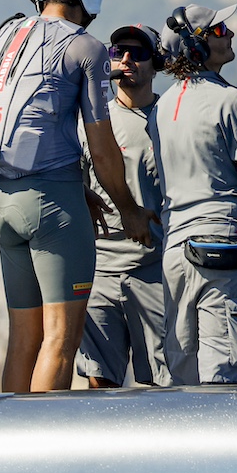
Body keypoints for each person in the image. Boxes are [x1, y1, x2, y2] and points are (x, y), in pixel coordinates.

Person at [0, 0, 157, 393]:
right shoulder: (85, 47)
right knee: (60, 339)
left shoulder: (7, 36)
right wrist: (128, 209)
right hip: (52, 205)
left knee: (23, 342)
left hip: (4, 200)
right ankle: (40, 454)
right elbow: (103, 145)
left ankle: (10, 445)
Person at [149, 4, 237, 384]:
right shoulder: (230, 102)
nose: (229, 34)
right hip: (222, 249)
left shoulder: (160, 109)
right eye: (218, 29)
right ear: (196, 47)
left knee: (184, 375)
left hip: (176, 252)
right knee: (230, 378)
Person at [75, 24, 169, 388]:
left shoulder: (171, 120)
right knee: (99, 385)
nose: (127, 59)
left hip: (154, 271)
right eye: (118, 52)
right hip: (100, 271)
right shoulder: (91, 122)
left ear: (155, 63)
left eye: (138, 53)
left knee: (160, 386)